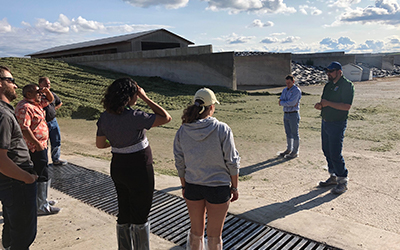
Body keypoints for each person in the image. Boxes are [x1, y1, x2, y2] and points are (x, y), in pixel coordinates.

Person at [96, 78, 171, 250]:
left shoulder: (104, 117)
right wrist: (145, 97)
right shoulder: (135, 116)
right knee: (141, 213)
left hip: (118, 166)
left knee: (124, 210)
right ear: (128, 97)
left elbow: (100, 144)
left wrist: (116, 142)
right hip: (139, 166)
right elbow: (166, 117)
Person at [174, 88, 240, 250]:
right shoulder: (222, 129)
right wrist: (235, 187)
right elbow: (232, 161)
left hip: (193, 186)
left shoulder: (183, 130)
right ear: (211, 107)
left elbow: (180, 162)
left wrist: (184, 185)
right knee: (214, 236)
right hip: (218, 187)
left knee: (196, 232)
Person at [0, 66, 38, 249]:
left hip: (12, 182)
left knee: (13, 229)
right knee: (23, 235)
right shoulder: (3, 115)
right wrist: (28, 178)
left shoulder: (5, 111)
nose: (15, 85)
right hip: (17, 183)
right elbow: (1, 160)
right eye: (10, 80)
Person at [15, 84, 61, 215]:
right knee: (41, 174)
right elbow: (25, 128)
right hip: (34, 148)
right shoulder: (25, 107)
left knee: (43, 172)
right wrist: (37, 144)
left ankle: (42, 199)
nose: (40, 94)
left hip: (41, 145)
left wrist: (46, 91)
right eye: (37, 92)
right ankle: (41, 206)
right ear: (28, 94)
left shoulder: (36, 104)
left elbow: (51, 100)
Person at [314, 61, 354, 194]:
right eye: (327, 71)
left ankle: (342, 180)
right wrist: (320, 106)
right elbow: (324, 102)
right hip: (325, 121)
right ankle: (333, 176)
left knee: (335, 152)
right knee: (326, 150)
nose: (328, 74)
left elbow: (346, 106)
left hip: (337, 123)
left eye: (331, 71)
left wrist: (328, 104)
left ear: (339, 72)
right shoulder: (328, 86)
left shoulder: (347, 85)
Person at [38, 77, 67, 166]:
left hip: (53, 121)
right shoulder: (38, 95)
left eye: (49, 84)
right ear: (40, 84)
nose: (48, 85)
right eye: (46, 84)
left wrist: (53, 109)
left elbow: (60, 103)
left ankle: (56, 159)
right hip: (42, 123)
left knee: (56, 140)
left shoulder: (52, 94)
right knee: (44, 143)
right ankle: (44, 161)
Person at [278, 74, 302, 159]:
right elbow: (281, 100)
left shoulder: (296, 90)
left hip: (293, 113)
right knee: (288, 132)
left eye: (289, 83)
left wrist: (284, 103)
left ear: (293, 82)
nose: (288, 84)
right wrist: (285, 103)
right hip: (286, 113)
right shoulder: (285, 90)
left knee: (295, 133)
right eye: (286, 83)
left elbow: (292, 102)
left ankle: (295, 151)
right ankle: (289, 149)